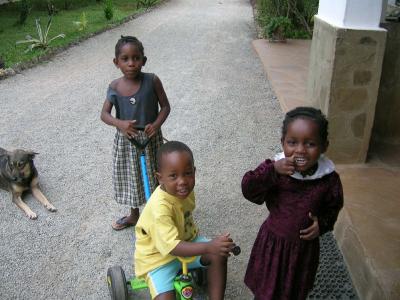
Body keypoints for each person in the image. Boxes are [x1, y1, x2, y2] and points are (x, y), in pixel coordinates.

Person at [242, 107, 344, 300]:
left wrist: (321, 224)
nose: (300, 150)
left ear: (324, 146)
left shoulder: (328, 179)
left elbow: (333, 205)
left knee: (294, 292)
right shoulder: (276, 170)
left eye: (311, 144)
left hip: (302, 252)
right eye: (292, 142)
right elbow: (249, 189)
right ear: (283, 143)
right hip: (272, 246)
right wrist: (272, 171)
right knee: (265, 292)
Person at [134, 141, 236, 300]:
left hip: (186, 242)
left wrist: (215, 246)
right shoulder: (159, 208)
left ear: (194, 172)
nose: (182, 181)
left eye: (187, 173)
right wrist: (209, 246)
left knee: (218, 254)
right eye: (173, 176)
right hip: (158, 258)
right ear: (160, 178)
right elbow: (173, 247)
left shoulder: (185, 190)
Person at [101, 36, 170, 230]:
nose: (131, 63)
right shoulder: (114, 87)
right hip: (128, 140)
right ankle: (134, 215)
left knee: (155, 174)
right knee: (133, 176)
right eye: (125, 59)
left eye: (136, 58)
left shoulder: (152, 81)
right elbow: (104, 114)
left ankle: (159, 214)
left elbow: (165, 107)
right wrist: (120, 124)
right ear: (117, 62)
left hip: (151, 139)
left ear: (144, 60)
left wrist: (156, 124)